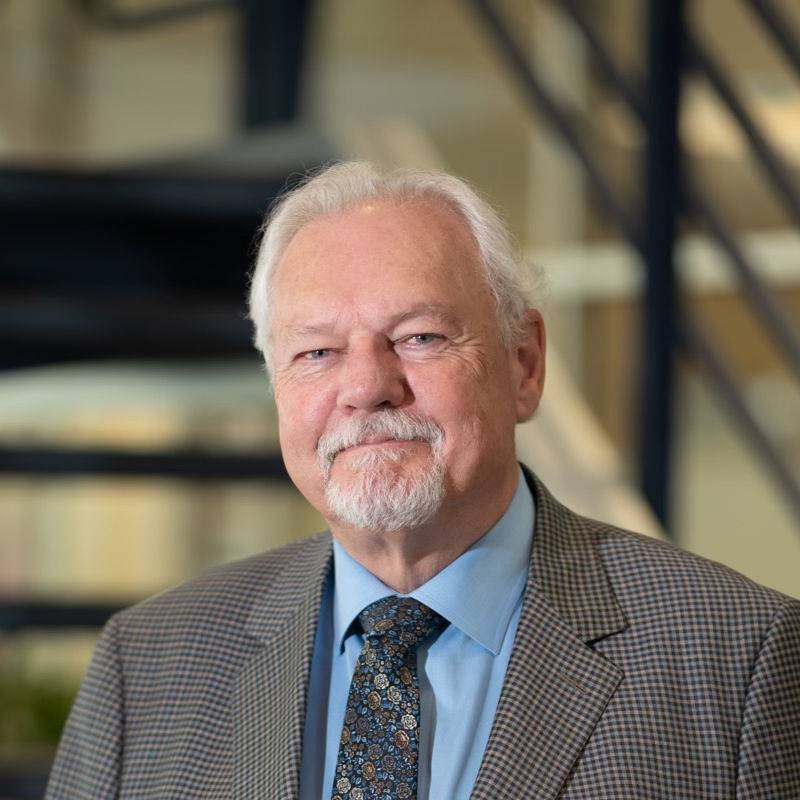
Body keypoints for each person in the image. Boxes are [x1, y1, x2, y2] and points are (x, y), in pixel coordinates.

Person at [47, 161, 800, 799]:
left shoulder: (739, 660)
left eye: (420, 337)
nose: (368, 387)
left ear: (524, 364)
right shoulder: (144, 667)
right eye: (316, 353)